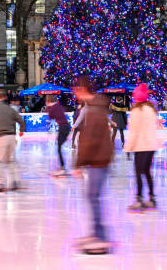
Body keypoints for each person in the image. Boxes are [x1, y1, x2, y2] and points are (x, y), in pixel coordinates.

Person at [73, 76, 113, 253]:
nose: (75, 93)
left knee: (93, 197)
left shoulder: (94, 109)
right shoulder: (93, 107)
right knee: (93, 197)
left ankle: (100, 237)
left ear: (83, 89)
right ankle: (98, 233)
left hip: (99, 159)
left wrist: (78, 163)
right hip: (99, 158)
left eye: (76, 89)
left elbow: (90, 139)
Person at [124, 84, 159, 210]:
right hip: (151, 145)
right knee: (146, 171)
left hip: (141, 145)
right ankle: (152, 198)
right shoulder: (150, 109)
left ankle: (139, 199)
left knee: (139, 172)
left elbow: (133, 132)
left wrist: (128, 147)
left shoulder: (136, 111)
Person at [47, 95, 71, 176]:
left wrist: (48, 108)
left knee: (59, 148)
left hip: (63, 128)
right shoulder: (58, 106)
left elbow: (50, 117)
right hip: (66, 128)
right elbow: (60, 113)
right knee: (59, 147)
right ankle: (62, 167)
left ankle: (63, 168)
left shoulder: (52, 108)